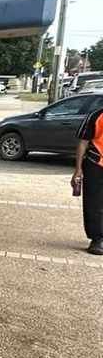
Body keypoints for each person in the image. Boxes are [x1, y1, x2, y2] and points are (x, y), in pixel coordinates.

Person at [72, 99, 103, 254]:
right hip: (95, 164)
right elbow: (83, 142)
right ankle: (97, 239)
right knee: (93, 204)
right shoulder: (96, 116)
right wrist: (78, 169)